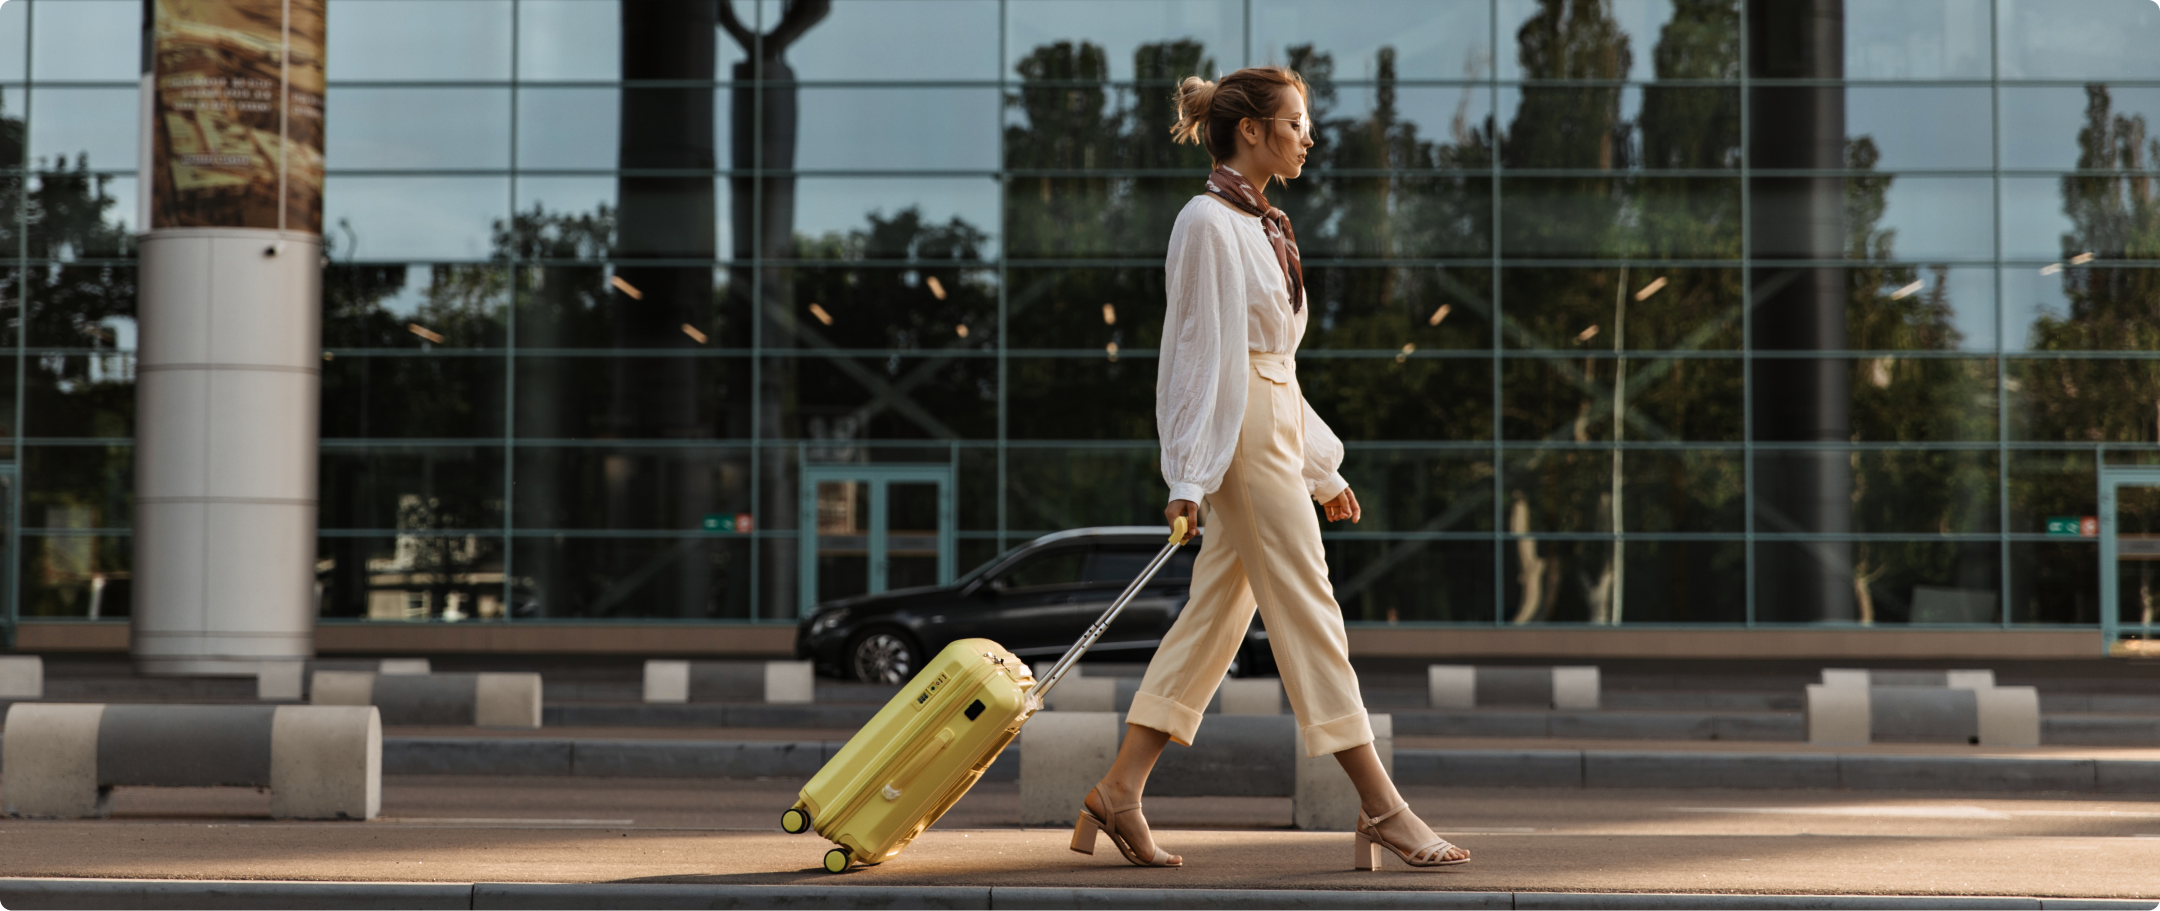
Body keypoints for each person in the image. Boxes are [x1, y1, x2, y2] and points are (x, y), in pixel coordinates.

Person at [1066, 66, 1471, 870]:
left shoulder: (1263, 224)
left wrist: (1322, 465)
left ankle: (1117, 790)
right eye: (1295, 121)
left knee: (1215, 617)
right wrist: (1185, 474)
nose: (1309, 135)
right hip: (1239, 432)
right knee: (1309, 601)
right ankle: (1381, 805)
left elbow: (1275, 363)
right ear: (1250, 129)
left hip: (1270, 421)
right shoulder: (1207, 222)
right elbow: (1198, 356)